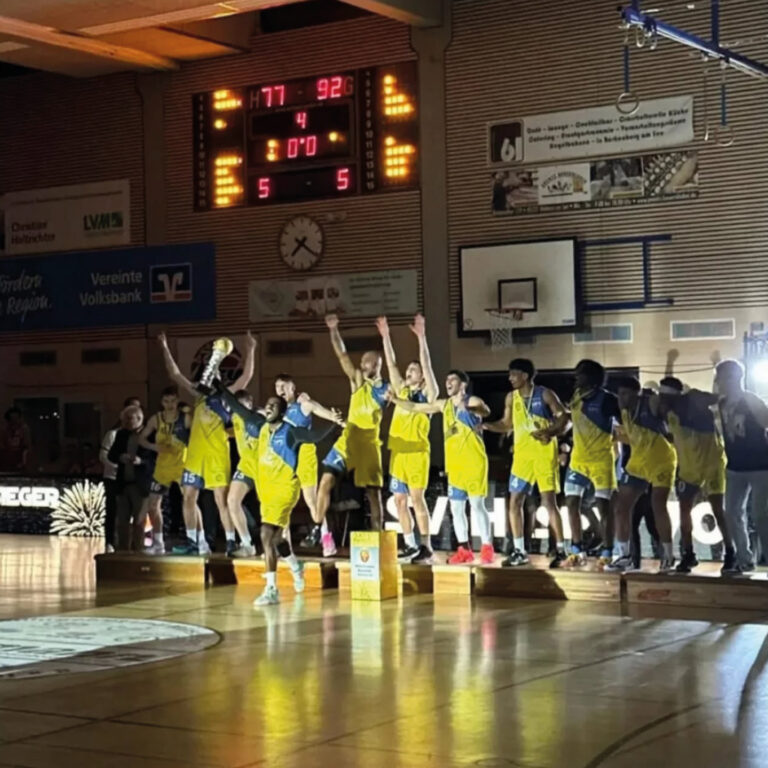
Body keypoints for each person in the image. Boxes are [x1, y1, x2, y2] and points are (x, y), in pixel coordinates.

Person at [215, 382, 340, 605]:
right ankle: (294, 564)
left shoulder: (290, 432)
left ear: (282, 412)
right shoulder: (259, 425)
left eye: (274, 405)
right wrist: (219, 386)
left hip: (285, 490)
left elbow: (314, 436)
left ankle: (271, 589)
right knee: (277, 538)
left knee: (265, 534)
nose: (269, 407)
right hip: (266, 490)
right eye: (268, 404)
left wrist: (334, 424)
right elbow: (237, 407)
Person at [158, 331, 256, 555]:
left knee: (221, 500)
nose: (211, 377)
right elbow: (174, 374)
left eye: (215, 374)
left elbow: (246, 377)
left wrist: (250, 349)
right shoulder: (198, 394)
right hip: (195, 454)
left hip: (217, 454)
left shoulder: (225, 396)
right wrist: (164, 346)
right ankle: (194, 542)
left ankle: (231, 542)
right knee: (188, 497)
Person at [391, 370, 494, 564]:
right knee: (456, 508)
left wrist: (471, 410)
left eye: (452, 380)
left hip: (474, 462)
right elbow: (414, 406)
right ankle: (464, 549)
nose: (448, 383)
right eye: (446, 380)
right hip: (454, 466)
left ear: (462, 384)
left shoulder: (472, 401)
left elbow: (485, 410)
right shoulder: (443, 404)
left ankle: (487, 547)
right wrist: (395, 400)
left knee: (477, 505)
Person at [484, 359, 570, 568]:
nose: (510, 378)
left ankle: (561, 549)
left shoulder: (545, 394)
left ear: (525, 375)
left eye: (514, 374)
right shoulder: (511, 398)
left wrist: (550, 431)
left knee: (548, 502)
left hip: (543, 454)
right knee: (514, 503)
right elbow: (506, 424)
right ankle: (519, 550)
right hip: (522, 457)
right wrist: (486, 426)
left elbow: (565, 419)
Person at [316, 314, 388, 545]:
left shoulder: (384, 389)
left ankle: (378, 541)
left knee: (373, 496)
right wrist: (333, 330)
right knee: (325, 482)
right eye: (364, 361)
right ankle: (322, 533)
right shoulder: (357, 381)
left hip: (368, 445)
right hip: (348, 440)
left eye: (370, 362)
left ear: (378, 365)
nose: (364, 364)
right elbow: (342, 355)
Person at [657, 376, 736, 574]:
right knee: (684, 511)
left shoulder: (693, 402)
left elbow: (716, 399)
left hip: (712, 464)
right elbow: (674, 436)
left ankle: (730, 553)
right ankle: (688, 554)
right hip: (688, 468)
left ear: (672, 395)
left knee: (718, 510)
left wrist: (706, 395)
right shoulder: (667, 413)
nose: (660, 400)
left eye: (663, 396)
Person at [377, 313, 438, 564]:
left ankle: (426, 545)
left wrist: (422, 338)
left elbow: (428, 365)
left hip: (417, 453)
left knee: (416, 499)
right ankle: (411, 544)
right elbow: (391, 363)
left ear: (422, 376)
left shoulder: (429, 394)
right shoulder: (401, 389)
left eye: (414, 370)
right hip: (398, 453)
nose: (410, 371)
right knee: (399, 500)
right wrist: (386, 335)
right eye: (409, 369)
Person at [606, 378, 677, 573]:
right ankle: (624, 555)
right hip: (638, 462)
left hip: (661, 460)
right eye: (619, 394)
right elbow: (632, 436)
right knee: (621, 506)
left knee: (658, 505)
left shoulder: (650, 403)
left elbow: (663, 406)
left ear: (636, 393)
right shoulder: (624, 412)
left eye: (625, 394)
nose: (621, 398)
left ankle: (669, 555)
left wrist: (663, 401)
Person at [275, 374, 345, 556]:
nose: (280, 390)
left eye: (284, 386)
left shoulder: (303, 404)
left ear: (293, 387)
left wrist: (334, 417)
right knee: (283, 504)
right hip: (285, 459)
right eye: (277, 386)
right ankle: (284, 549)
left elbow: (319, 409)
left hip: (305, 457)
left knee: (312, 502)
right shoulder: (277, 411)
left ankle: (327, 542)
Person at [564, 360, 620, 567]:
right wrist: (552, 431)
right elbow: (570, 421)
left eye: (580, 374)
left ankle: (607, 551)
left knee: (604, 508)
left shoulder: (607, 399)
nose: (576, 378)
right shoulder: (576, 397)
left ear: (592, 377)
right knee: (571, 503)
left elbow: (624, 422)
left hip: (601, 461)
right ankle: (576, 549)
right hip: (578, 460)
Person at [715, 359, 768, 571]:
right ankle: (744, 559)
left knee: (760, 513)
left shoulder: (752, 401)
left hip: (760, 466)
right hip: (735, 466)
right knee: (731, 512)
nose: (718, 382)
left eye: (721, 377)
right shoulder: (722, 403)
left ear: (734, 378)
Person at [137, 386, 191, 555]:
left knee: (190, 503)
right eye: (166, 401)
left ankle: (196, 541)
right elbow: (141, 439)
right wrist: (155, 446)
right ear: (162, 402)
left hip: (183, 466)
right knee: (153, 505)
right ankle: (158, 542)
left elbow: (197, 435)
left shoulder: (185, 418)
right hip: (162, 468)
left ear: (177, 401)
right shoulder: (156, 419)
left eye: (173, 401)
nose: (170, 404)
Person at [107, 404, 153, 551]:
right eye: (124, 419)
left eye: (129, 419)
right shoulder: (121, 434)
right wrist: (120, 457)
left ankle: (138, 552)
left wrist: (141, 461)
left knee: (139, 521)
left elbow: (157, 458)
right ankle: (122, 552)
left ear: (139, 418)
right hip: (123, 484)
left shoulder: (150, 435)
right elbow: (111, 455)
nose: (126, 422)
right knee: (121, 521)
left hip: (141, 485)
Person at [100, 396, 142, 553]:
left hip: (134, 480)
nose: (132, 416)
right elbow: (105, 455)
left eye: (136, 411)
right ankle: (111, 542)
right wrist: (118, 463)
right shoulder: (114, 434)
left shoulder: (144, 435)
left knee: (137, 516)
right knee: (114, 512)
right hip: (113, 479)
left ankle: (137, 546)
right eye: (129, 412)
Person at [0, 407, 31, 472]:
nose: (15, 421)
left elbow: (26, 446)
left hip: (21, 459)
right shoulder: (4, 430)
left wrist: (24, 462)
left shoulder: (24, 429)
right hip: (7, 460)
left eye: (16, 418)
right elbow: (2, 446)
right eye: (12, 419)